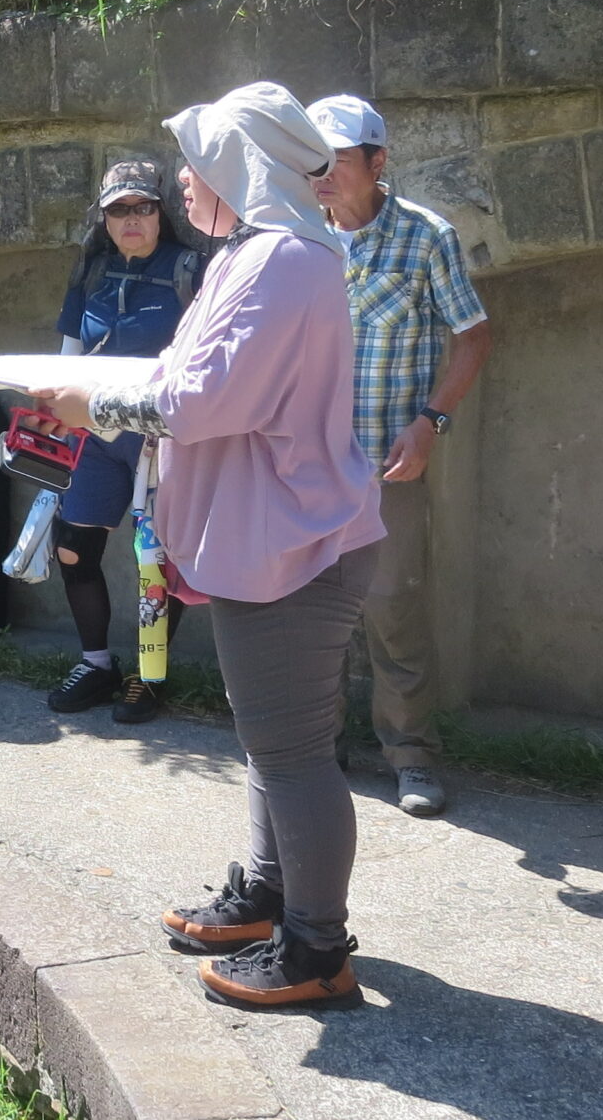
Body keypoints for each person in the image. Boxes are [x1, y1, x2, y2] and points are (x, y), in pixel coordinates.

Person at [31, 82, 385, 1011]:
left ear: (241, 166)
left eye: (197, 163)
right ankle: (272, 898)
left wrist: (95, 405)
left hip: (294, 542)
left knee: (292, 750)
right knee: (272, 737)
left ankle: (317, 948)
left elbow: (204, 399)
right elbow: (184, 370)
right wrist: (95, 390)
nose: (183, 181)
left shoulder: (281, 260)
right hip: (278, 532)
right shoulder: (264, 253)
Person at [307, 94, 494, 820]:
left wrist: (430, 423)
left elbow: (472, 336)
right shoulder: (297, 237)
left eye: (338, 159)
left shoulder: (424, 236)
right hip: (307, 463)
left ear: (378, 161)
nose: (323, 173)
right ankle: (315, 749)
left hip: (388, 463)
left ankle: (411, 755)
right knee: (311, 607)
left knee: (393, 608)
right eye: (314, 160)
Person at [42, 159, 203, 724]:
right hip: (94, 433)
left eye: (143, 208)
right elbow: (67, 357)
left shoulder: (191, 269)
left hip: (158, 436)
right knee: (72, 546)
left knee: (156, 559)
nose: (132, 219)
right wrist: (53, 413)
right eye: (119, 210)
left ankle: (149, 675)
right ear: (104, 219)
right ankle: (96, 664)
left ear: (161, 212)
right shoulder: (92, 271)